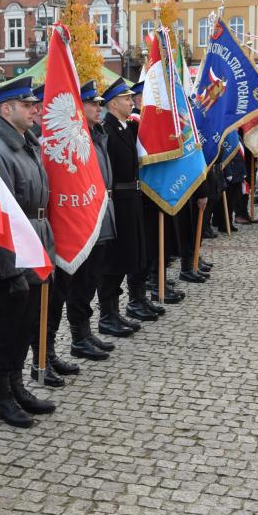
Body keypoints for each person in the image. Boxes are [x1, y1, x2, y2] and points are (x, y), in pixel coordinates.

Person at [0, 78, 56, 428]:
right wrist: (9, 269)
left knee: (25, 324)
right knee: (8, 326)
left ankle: (18, 386)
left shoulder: (24, 145)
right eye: (28, 104)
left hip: (33, 243)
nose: (36, 109)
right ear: (6, 110)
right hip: (12, 254)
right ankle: (4, 396)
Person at [65, 80, 118, 361]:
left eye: (99, 103)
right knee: (81, 279)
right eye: (93, 104)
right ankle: (78, 336)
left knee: (93, 276)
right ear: (79, 106)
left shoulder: (97, 133)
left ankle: (85, 332)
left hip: (101, 213)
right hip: (85, 216)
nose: (99, 108)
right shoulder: (77, 136)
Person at [96, 78, 153, 340]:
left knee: (132, 253)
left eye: (132, 98)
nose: (132, 102)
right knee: (113, 260)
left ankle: (122, 308)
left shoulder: (125, 127)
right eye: (127, 99)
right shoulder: (106, 129)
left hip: (131, 198)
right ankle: (107, 315)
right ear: (113, 103)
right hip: (116, 200)